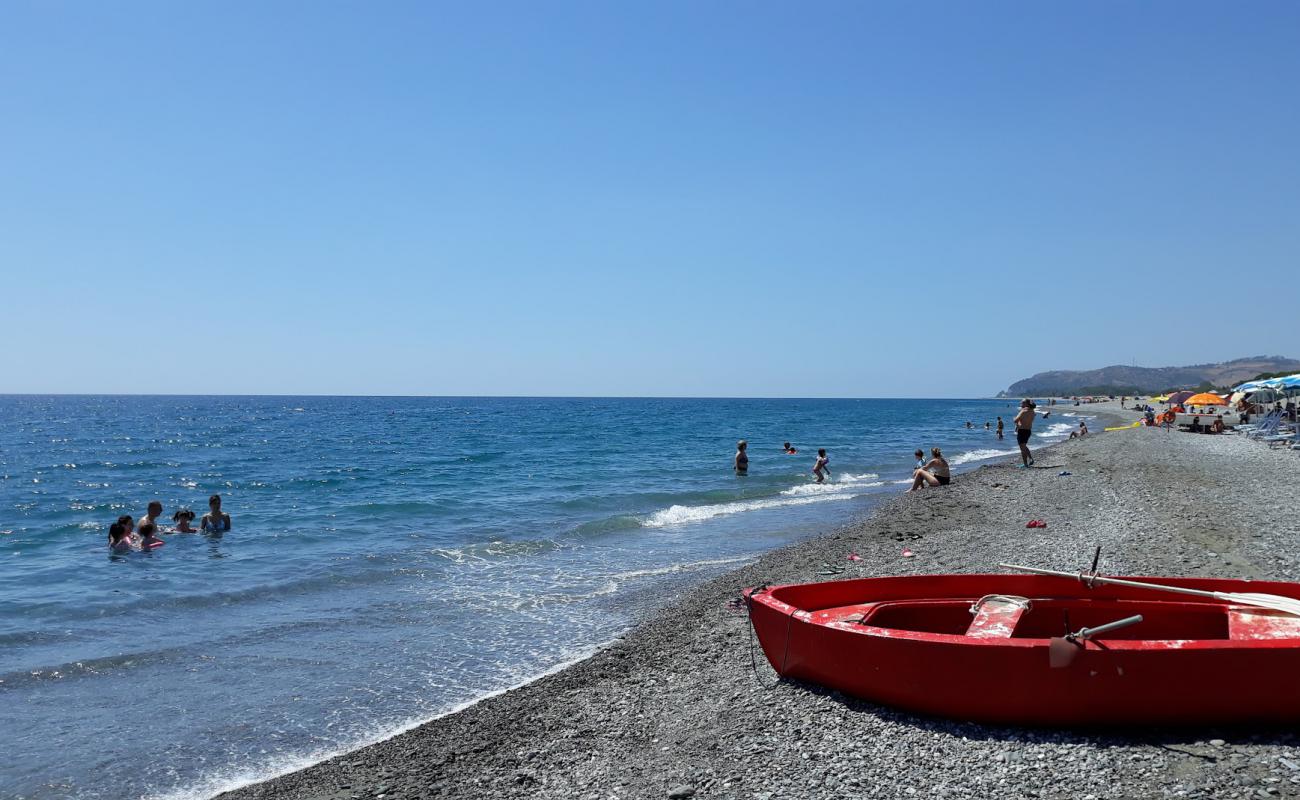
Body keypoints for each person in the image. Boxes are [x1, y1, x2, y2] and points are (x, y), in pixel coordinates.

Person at [1014, 399, 1036, 467]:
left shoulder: (1023, 411)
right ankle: (1030, 459)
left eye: (1022, 403)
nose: (1021, 404)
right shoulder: (1032, 411)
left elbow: (1015, 420)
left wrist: (1015, 418)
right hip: (1028, 431)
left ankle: (1025, 464)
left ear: (1026, 404)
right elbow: (1027, 420)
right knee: (1024, 446)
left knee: (1022, 448)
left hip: (1022, 431)